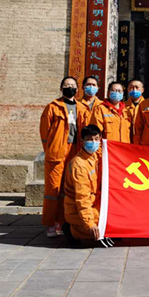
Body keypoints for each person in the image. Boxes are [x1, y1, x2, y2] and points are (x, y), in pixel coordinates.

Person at [39, 76, 91, 237]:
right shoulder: (53, 107)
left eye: (73, 85)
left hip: (75, 151)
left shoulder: (82, 108)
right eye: (67, 85)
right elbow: (44, 132)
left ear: (77, 89)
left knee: (69, 189)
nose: (70, 87)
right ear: (61, 88)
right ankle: (50, 223)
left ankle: (63, 222)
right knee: (53, 190)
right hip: (57, 152)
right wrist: (50, 149)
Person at [63, 124, 102, 247]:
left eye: (96, 139)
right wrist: (89, 223)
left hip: (95, 204)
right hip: (77, 210)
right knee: (102, 228)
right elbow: (82, 198)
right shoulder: (79, 165)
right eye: (89, 140)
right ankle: (72, 231)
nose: (93, 142)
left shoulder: (95, 157)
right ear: (82, 141)